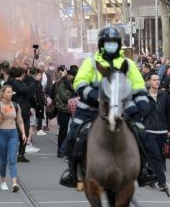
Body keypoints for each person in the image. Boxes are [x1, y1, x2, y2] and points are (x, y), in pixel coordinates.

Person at [59, 26, 152, 188]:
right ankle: (73, 173)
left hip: (122, 108)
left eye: (114, 42)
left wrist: (143, 102)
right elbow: (79, 82)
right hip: (91, 108)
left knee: (141, 132)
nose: (111, 45)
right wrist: (95, 95)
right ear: (102, 44)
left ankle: (144, 171)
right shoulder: (91, 62)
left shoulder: (127, 64)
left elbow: (138, 85)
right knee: (75, 133)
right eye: (108, 42)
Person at [0, 85, 27, 192]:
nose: (10, 94)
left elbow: (20, 121)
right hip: (1, 133)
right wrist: (1, 116)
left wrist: (23, 133)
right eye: (8, 92)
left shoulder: (16, 105)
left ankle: (14, 183)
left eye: (11, 92)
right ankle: (3, 181)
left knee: (12, 159)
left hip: (13, 133)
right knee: (3, 160)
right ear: (2, 93)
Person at [143, 73, 170, 191]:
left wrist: (169, 129)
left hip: (162, 131)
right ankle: (162, 182)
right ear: (148, 82)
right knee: (156, 157)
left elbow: (168, 113)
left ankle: (151, 177)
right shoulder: (143, 96)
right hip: (149, 131)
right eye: (154, 80)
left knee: (160, 156)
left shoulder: (164, 96)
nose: (157, 82)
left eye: (158, 80)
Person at [54, 67, 77, 158]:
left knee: (71, 130)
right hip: (63, 109)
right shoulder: (61, 83)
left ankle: (68, 149)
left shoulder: (70, 83)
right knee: (63, 130)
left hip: (71, 108)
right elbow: (64, 96)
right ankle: (60, 150)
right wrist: (75, 97)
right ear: (69, 75)